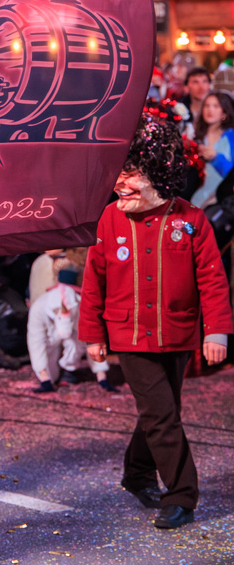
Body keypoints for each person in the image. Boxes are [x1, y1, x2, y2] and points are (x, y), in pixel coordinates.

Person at [79, 114, 233, 529]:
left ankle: (137, 473)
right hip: (128, 335)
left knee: (161, 411)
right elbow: (94, 280)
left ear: (157, 171)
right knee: (163, 415)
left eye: (129, 172)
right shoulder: (109, 219)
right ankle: (182, 494)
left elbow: (214, 281)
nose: (119, 183)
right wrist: (92, 334)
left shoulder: (192, 220)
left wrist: (216, 330)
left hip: (179, 333)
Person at [28, 268, 117, 393]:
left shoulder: (78, 305)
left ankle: (69, 372)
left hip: (71, 336)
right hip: (51, 339)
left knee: (77, 342)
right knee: (50, 373)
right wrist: (45, 379)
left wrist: (101, 376)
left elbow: (92, 338)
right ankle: (48, 376)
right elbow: (36, 342)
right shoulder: (39, 308)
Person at [190, 91, 234, 209]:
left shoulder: (231, 137)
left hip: (218, 201)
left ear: (224, 112)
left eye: (215, 106)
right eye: (207, 105)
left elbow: (230, 175)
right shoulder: (193, 134)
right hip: (192, 196)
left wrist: (215, 158)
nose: (210, 110)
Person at [180, 66, 212, 131]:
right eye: (195, 82)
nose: (201, 87)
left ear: (209, 85)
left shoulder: (218, 110)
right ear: (186, 87)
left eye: (204, 81)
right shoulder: (178, 109)